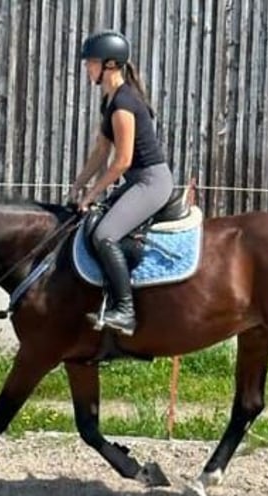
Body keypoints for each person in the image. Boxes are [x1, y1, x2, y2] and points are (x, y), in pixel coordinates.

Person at [70, 30, 174, 337]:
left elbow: (123, 160)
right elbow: (102, 150)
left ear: (110, 65)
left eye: (91, 63)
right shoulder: (109, 100)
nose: (87, 68)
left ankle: (125, 311)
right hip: (137, 181)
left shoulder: (124, 103)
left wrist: (92, 193)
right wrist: (79, 183)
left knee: (105, 235)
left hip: (151, 181)